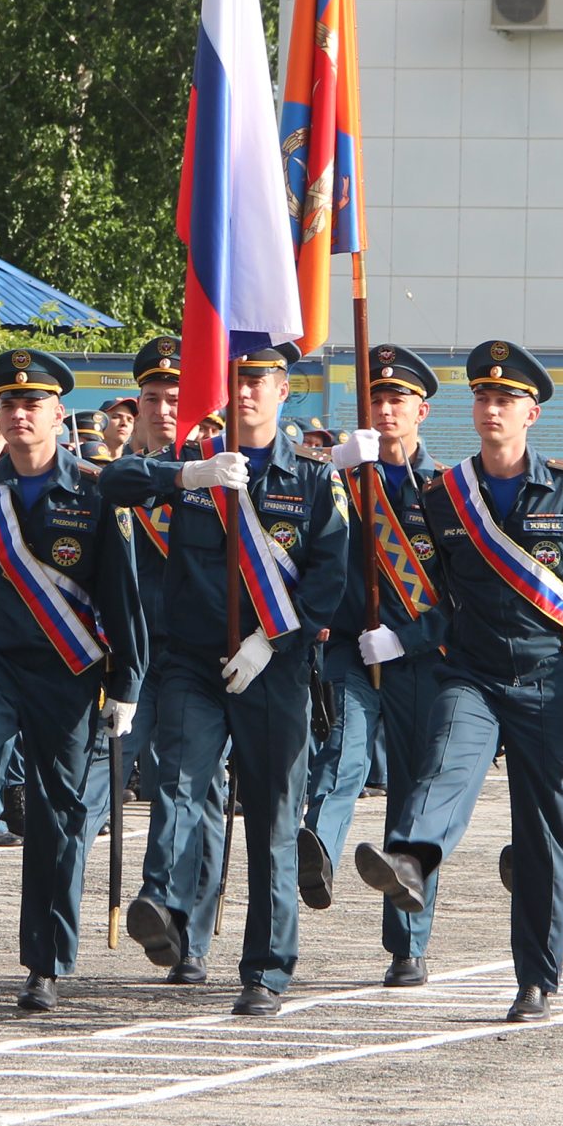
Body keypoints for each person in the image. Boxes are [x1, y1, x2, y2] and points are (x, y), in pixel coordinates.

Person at [351, 340, 563, 1022]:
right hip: (471, 671)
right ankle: (411, 861)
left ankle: (536, 977)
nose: (491, 408)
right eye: (482, 396)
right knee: (443, 767)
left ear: (531, 412)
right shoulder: (445, 496)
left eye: (504, 399)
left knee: (543, 835)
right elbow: (436, 590)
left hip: (549, 680)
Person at [116, 341, 349, 1017]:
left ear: (284, 391)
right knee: (182, 782)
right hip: (193, 660)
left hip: (272, 668)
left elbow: (331, 574)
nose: (246, 391)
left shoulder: (312, 477)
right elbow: (115, 485)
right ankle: (161, 904)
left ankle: (267, 970)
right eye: (236, 379)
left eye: (260, 380)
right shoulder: (198, 461)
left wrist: (271, 638)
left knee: (273, 819)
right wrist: (191, 478)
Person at [0, 349, 143, 1011]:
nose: (17, 415)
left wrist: (127, 682)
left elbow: (123, 595)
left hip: (70, 670)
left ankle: (45, 960)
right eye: (7, 404)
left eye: (30, 404)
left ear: (58, 414)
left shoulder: (97, 492)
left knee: (58, 814)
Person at [302, 346, 446, 988]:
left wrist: (407, 640)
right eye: (376, 400)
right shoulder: (344, 478)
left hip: (419, 662)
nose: (386, 410)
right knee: (346, 755)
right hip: (350, 653)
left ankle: (407, 944)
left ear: (422, 410)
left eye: (398, 400)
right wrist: (330, 468)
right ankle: (321, 852)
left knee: (413, 796)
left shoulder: (446, 491)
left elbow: (465, 593)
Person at [113, 337, 224, 985]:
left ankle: (187, 932)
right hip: (129, 661)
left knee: (193, 792)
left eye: (175, 398)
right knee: (99, 782)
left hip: (192, 658)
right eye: (152, 398)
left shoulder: (215, 477)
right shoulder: (122, 476)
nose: (162, 410)